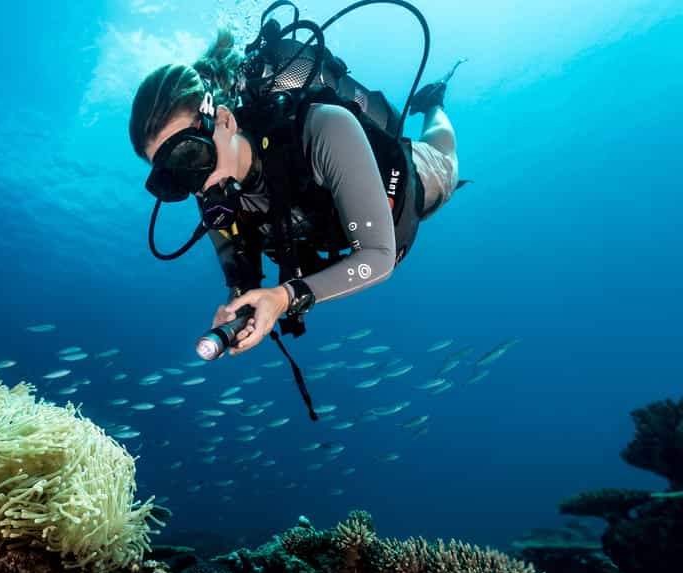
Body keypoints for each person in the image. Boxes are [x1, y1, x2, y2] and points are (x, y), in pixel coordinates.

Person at [129, 28, 463, 358]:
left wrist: (285, 297)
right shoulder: (214, 197)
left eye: (190, 155)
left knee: (446, 164)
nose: (196, 183)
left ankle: (434, 104)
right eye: (172, 177)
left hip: (406, 186)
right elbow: (244, 281)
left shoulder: (323, 128)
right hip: (329, 231)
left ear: (225, 120)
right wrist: (240, 314)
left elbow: (378, 255)